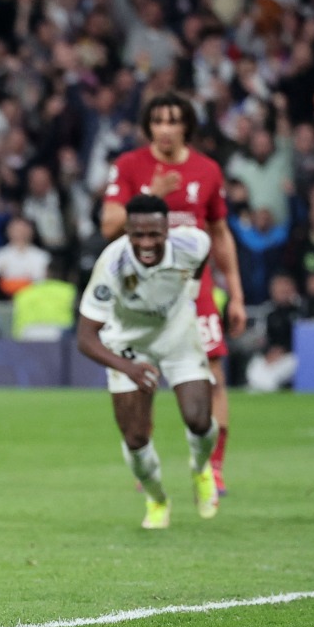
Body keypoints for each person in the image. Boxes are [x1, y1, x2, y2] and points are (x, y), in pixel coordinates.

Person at [101, 92, 246, 495]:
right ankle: (145, 465)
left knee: (213, 379)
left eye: (173, 120)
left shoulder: (208, 170)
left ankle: (212, 469)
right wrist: (154, 192)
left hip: (194, 294)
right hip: (141, 297)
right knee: (142, 383)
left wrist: (235, 293)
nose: (165, 129)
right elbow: (109, 224)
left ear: (186, 126)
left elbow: (220, 234)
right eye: (158, 121)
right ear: (149, 126)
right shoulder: (129, 166)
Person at [78, 194, 220, 529]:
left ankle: (201, 468)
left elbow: (203, 256)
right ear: (126, 230)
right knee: (136, 438)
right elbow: (85, 338)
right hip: (128, 344)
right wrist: (128, 367)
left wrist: (193, 292)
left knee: (199, 420)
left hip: (176, 333)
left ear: (167, 230)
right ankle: (157, 499)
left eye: (154, 234)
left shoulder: (194, 242)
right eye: (138, 234)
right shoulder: (111, 264)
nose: (146, 243)